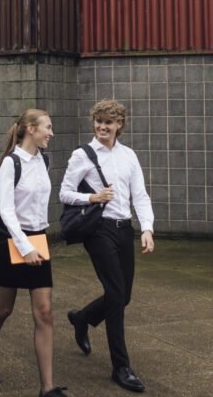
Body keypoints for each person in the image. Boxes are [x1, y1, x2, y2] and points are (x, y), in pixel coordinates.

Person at [60, 99, 155, 393]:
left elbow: (140, 195)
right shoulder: (82, 155)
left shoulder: (128, 155)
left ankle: (82, 317)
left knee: (123, 296)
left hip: (125, 230)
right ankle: (121, 366)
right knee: (115, 294)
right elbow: (64, 193)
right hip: (99, 231)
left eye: (108, 122)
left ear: (119, 125)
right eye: (98, 122)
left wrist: (147, 228)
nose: (102, 127)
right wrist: (92, 198)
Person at [0, 110, 67, 397]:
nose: (51, 133)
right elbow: (6, 211)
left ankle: (47, 388)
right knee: (3, 309)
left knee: (45, 313)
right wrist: (24, 246)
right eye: (47, 128)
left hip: (37, 239)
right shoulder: (10, 163)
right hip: (10, 240)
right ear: (30, 129)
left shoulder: (44, 160)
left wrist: (34, 243)